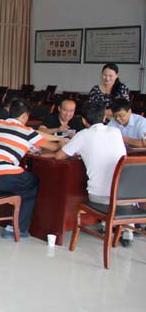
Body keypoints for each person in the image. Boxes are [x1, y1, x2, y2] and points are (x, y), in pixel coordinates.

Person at [0, 99, 66, 239]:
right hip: (4, 178)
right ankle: (16, 228)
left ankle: (13, 220)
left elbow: (35, 133)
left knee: (23, 180)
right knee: (33, 181)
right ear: (25, 116)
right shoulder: (26, 132)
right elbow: (54, 147)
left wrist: (55, 136)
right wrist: (61, 142)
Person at [54, 103, 131, 246]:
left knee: (100, 191)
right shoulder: (116, 132)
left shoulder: (83, 135)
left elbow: (59, 156)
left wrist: (63, 145)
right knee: (118, 190)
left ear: (84, 121)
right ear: (104, 118)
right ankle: (127, 232)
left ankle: (106, 226)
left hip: (100, 197)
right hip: (126, 195)